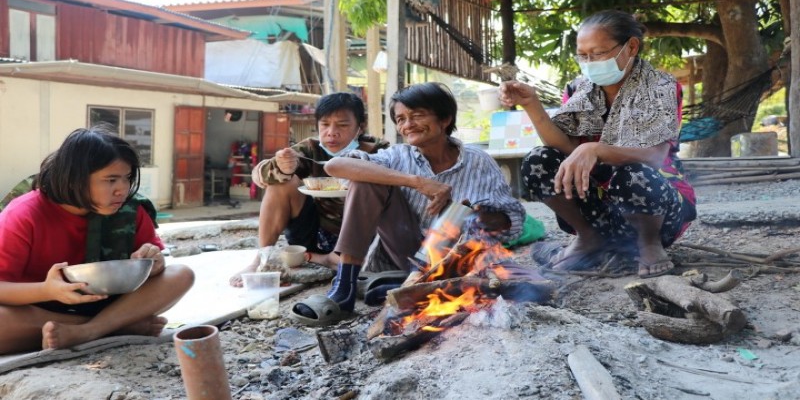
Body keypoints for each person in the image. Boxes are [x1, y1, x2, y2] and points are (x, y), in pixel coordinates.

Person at [290, 82, 526, 325]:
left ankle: (407, 287)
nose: (407, 125)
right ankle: (345, 287)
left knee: (468, 248)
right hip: (405, 249)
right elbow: (335, 166)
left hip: (454, 260)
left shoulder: (478, 161)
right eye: (400, 119)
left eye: (417, 115)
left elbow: (513, 220)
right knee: (366, 180)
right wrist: (418, 182)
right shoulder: (398, 156)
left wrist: (477, 215)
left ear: (444, 119)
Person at [500, 9, 696, 278]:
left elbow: (654, 157)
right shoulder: (578, 90)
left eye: (599, 53)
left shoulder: (660, 87)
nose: (589, 62)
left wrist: (597, 149)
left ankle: (648, 243)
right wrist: (531, 104)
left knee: (634, 174)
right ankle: (588, 236)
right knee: (538, 160)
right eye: (583, 55)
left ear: (631, 46)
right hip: (600, 210)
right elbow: (565, 149)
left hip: (655, 208)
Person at [0, 127, 195, 355]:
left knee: (181, 274)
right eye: (111, 179)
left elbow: (156, 267)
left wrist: (154, 262)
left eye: (127, 178)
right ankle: (115, 327)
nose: (122, 189)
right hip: (39, 309)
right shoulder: (24, 214)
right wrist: (47, 290)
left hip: (112, 303)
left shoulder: (131, 210)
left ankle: (89, 331)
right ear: (75, 180)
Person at [229, 92, 389, 287]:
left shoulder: (379, 151)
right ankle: (262, 260)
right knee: (283, 182)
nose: (331, 132)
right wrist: (281, 166)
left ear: (360, 127)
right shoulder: (309, 150)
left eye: (342, 125)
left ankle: (331, 260)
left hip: (362, 236)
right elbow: (259, 175)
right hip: (315, 233)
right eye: (325, 124)